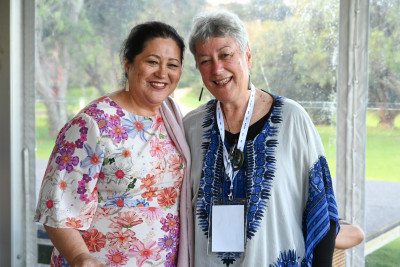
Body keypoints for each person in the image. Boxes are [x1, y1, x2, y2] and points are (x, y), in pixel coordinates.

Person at [183, 10, 339, 267]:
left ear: (248, 55)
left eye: (226, 54)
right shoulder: (190, 127)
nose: (217, 68)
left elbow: (322, 210)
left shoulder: (292, 119)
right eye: (205, 60)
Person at [34, 21, 193, 267]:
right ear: (128, 64)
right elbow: (57, 207)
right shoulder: (93, 123)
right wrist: (80, 257)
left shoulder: (171, 116)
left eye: (172, 65)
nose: (163, 73)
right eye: (152, 62)